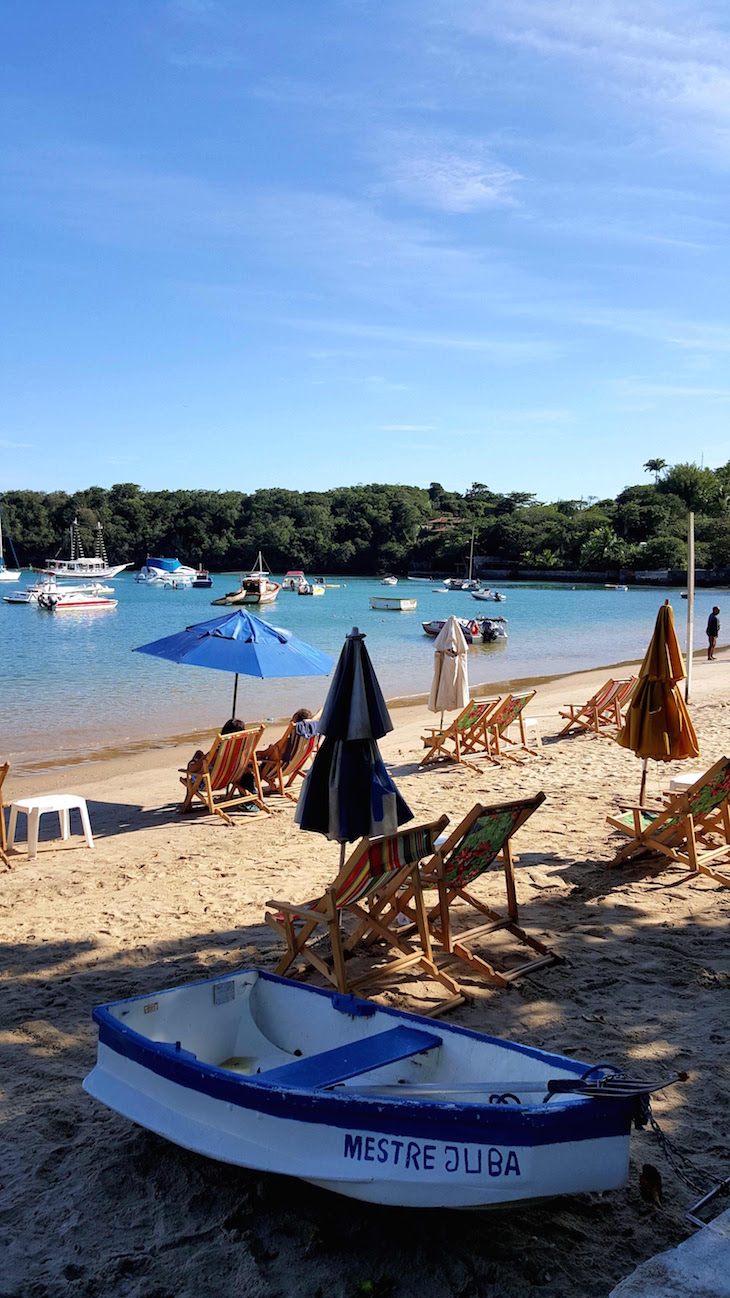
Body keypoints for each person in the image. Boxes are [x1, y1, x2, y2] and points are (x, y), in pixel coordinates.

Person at [258, 708, 314, 788]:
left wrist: (255, 753)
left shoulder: (287, 742)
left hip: (275, 770)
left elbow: (264, 754)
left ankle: (269, 785)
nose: (290, 722)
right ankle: (272, 785)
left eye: (292, 720)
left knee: (249, 763)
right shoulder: (308, 741)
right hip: (292, 767)